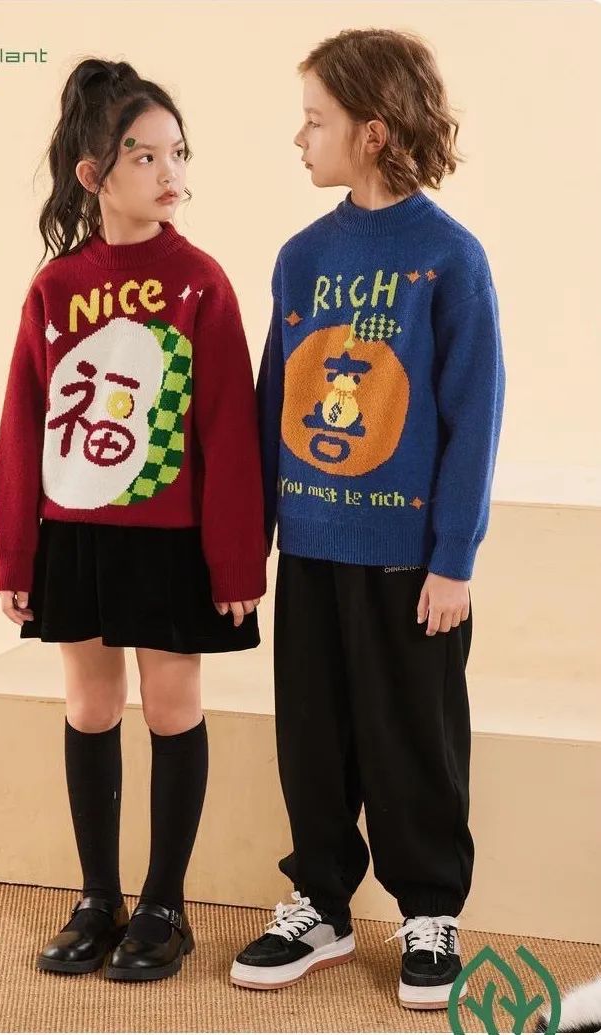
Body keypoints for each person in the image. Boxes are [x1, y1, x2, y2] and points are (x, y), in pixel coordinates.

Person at [230, 28, 505, 1011]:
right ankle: (322, 902)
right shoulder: (302, 258)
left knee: (412, 737)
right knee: (313, 737)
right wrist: (249, 545)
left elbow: (473, 416)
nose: (299, 138)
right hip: (310, 545)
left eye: (315, 121)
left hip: (409, 563)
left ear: (373, 132)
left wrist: (453, 558)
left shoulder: (448, 258)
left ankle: (429, 909)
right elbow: (273, 402)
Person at [0, 57, 267, 983]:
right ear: (93, 174)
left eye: (176, 152)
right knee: (90, 706)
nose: (168, 171)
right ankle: (97, 897)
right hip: (76, 532)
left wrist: (236, 559)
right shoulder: (56, 287)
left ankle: (163, 905)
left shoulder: (199, 282)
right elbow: (23, 421)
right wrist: (13, 550)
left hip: (171, 539)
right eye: (143, 155)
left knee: (173, 707)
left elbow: (228, 428)